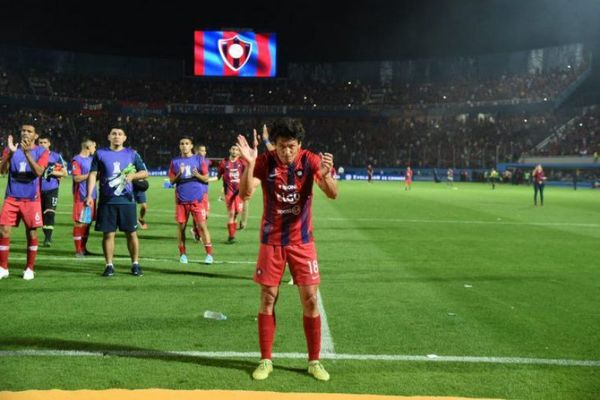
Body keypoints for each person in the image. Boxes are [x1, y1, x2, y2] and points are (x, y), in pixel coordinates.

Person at [237, 118, 338, 382]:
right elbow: (245, 194)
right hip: (272, 240)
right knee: (268, 297)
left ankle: (314, 361)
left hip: (302, 241)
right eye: (282, 146)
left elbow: (332, 193)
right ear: (276, 144)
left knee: (311, 299)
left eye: (291, 146)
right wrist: (249, 164)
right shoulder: (265, 160)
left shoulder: (311, 160)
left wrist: (326, 176)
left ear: (300, 145)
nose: (287, 152)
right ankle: (265, 359)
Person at [86, 128, 148, 277]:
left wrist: (133, 176)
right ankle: (109, 265)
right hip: (107, 201)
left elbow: (145, 172)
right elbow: (93, 174)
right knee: (108, 235)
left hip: (127, 201)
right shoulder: (100, 153)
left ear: (125, 137)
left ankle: (135, 264)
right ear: (109, 137)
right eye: (114, 134)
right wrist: (89, 195)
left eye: (120, 134)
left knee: (131, 234)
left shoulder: (132, 154)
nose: (117, 136)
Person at [0, 124, 49, 280]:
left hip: (31, 200)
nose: (25, 133)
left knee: (32, 232)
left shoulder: (42, 151)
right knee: (3, 231)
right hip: (12, 197)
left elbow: (39, 172)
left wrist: (27, 153)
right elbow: (2, 170)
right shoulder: (11, 149)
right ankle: (3, 267)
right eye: (23, 131)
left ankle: (29, 268)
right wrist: (9, 154)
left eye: (29, 131)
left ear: (35, 136)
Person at [169, 136, 213, 265]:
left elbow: (206, 178)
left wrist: (197, 175)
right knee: (181, 228)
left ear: (191, 146)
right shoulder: (175, 161)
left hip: (197, 200)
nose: (184, 146)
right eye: (182, 143)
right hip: (181, 200)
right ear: (179, 146)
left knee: (202, 226)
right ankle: (182, 254)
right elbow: (171, 181)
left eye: (187, 143)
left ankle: (209, 254)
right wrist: (179, 174)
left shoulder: (199, 159)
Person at [38, 136, 68, 246]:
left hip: (52, 189)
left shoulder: (55, 156)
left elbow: (65, 173)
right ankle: (46, 234)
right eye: (40, 142)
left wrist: (51, 172)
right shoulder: (34, 155)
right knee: (41, 216)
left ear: (49, 143)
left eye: (44, 142)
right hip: (36, 190)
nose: (42, 144)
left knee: (50, 213)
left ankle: (48, 238)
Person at [71, 138, 97, 257]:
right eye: (94, 147)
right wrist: (90, 175)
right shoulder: (77, 160)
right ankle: (78, 250)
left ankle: (84, 248)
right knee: (80, 223)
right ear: (88, 147)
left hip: (92, 195)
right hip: (81, 196)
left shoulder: (92, 160)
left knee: (87, 223)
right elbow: (76, 178)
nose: (94, 149)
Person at [217, 145, 246, 243]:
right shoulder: (223, 163)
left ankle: (233, 231)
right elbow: (218, 176)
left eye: (237, 149)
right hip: (228, 192)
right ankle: (231, 236)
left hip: (239, 193)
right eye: (233, 149)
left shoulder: (242, 162)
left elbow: (248, 174)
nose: (234, 151)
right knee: (231, 213)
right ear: (230, 150)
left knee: (236, 213)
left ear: (239, 152)